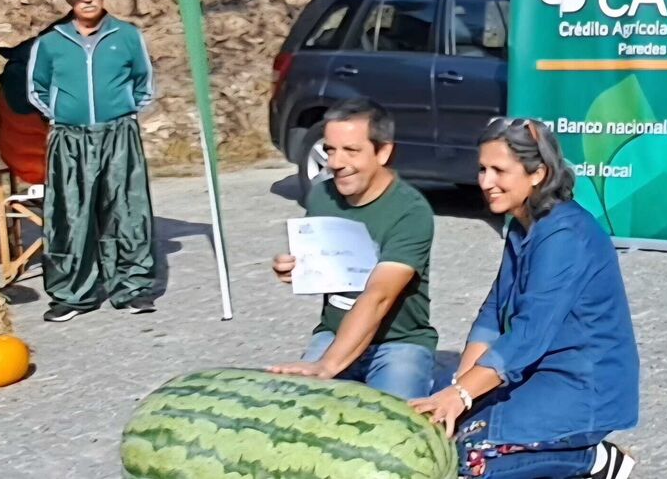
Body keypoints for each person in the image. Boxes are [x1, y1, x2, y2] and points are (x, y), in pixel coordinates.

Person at [410, 118, 640, 479]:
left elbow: (529, 333)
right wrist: (460, 386)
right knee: (440, 426)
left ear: (537, 174)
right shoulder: (522, 224)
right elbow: (491, 314)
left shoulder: (564, 235)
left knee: (471, 456)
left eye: (499, 170)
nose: (485, 182)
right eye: (482, 169)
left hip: (582, 383)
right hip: (536, 371)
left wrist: (463, 396)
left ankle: (593, 459)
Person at [269, 98, 437, 399]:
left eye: (351, 151)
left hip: (398, 342)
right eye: (330, 149)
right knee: (300, 412)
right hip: (333, 334)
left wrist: (327, 366)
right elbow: (322, 264)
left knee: (393, 428)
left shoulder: (411, 211)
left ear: (383, 151)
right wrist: (296, 269)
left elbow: (379, 296)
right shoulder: (322, 197)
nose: (335, 163)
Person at [27, 0, 157, 322]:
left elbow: (144, 82)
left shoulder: (128, 36)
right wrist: (60, 114)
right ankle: (74, 293)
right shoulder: (51, 43)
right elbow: (35, 88)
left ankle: (131, 288)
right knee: (70, 214)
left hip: (118, 134)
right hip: (70, 139)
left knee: (126, 210)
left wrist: (127, 112)